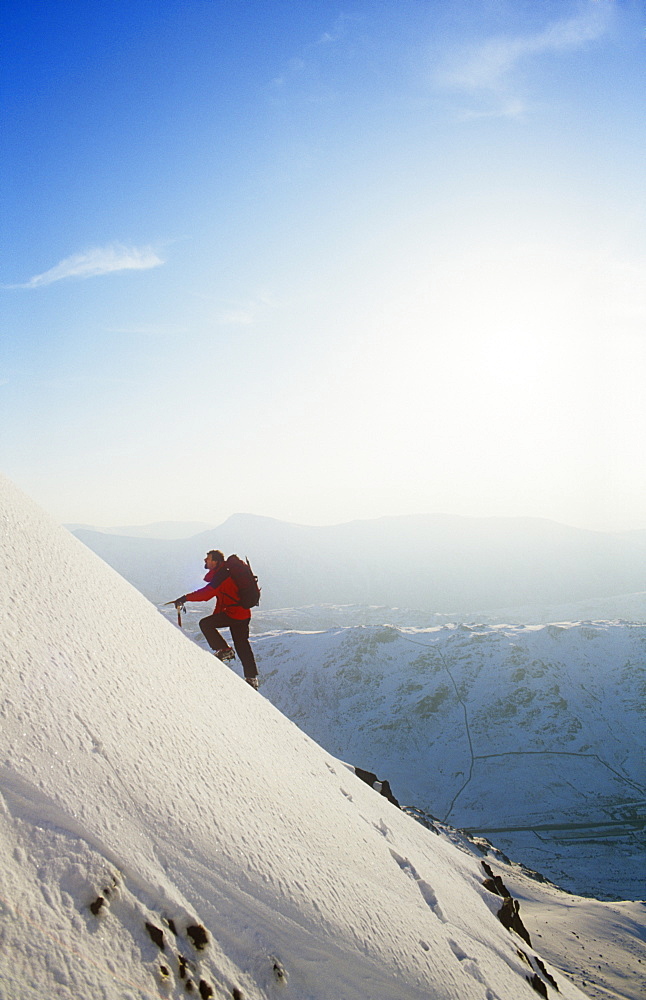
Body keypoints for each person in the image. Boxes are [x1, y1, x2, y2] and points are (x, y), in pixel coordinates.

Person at [173, 550, 259, 689]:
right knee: (242, 645)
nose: (205, 561)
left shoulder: (221, 575)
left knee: (205, 624)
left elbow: (206, 594)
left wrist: (185, 598)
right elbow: (222, 597)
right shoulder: (226, 572)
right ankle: (251, 678)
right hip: (243, 614)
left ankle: (224, 650)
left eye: (208, 559)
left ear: (215, 561)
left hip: (234, 614)